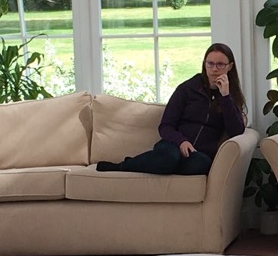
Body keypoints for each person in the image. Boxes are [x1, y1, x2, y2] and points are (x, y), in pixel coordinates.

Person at [95, 43, 246, 175]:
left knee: (200, 164)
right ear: (204, 64)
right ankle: (123, 166)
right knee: (168, 158)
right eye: (210, 64)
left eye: (220, 65)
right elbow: (166, 125)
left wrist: (225, 97)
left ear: (230, 66)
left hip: (199, 153)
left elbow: (236, 131)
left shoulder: (230, 96)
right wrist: (181, 141)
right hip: (173, 144)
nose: (214, 69)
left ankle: (160, 166)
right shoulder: (188, 89)